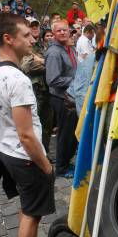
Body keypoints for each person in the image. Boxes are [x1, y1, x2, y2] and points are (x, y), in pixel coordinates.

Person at [0, 14, 55, 237]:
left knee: (27, 208)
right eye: (26, 35)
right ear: (8, 39)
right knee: (32, 213)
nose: (32, 38)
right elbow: (26, 135)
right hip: (25, 156)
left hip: (6, 149)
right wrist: (46, 165)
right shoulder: (17, 80)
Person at [45, 19, 78, 177]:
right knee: (65, 135)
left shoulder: (68, 48)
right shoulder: (54, 53)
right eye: (59, 31)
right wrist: (76, 81)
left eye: (65, 30)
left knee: (70, 133)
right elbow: (52, 79)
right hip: (61, 99)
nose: (63, 32)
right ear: (54, 33)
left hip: (71, 97)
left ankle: (66, 162)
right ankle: (61, 168)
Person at [21, 20, 53, 153]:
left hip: (47, 90)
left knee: (47, 126)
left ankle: (44, 153)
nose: (35, 29)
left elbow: (54, 64)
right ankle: (33, 154)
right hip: (34, 91)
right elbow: (26, 66)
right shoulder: (24, 46)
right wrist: (48, 63)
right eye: (31, 27)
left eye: (36, 26)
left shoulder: (43, 45)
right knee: (33, 125)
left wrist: (41, 61)